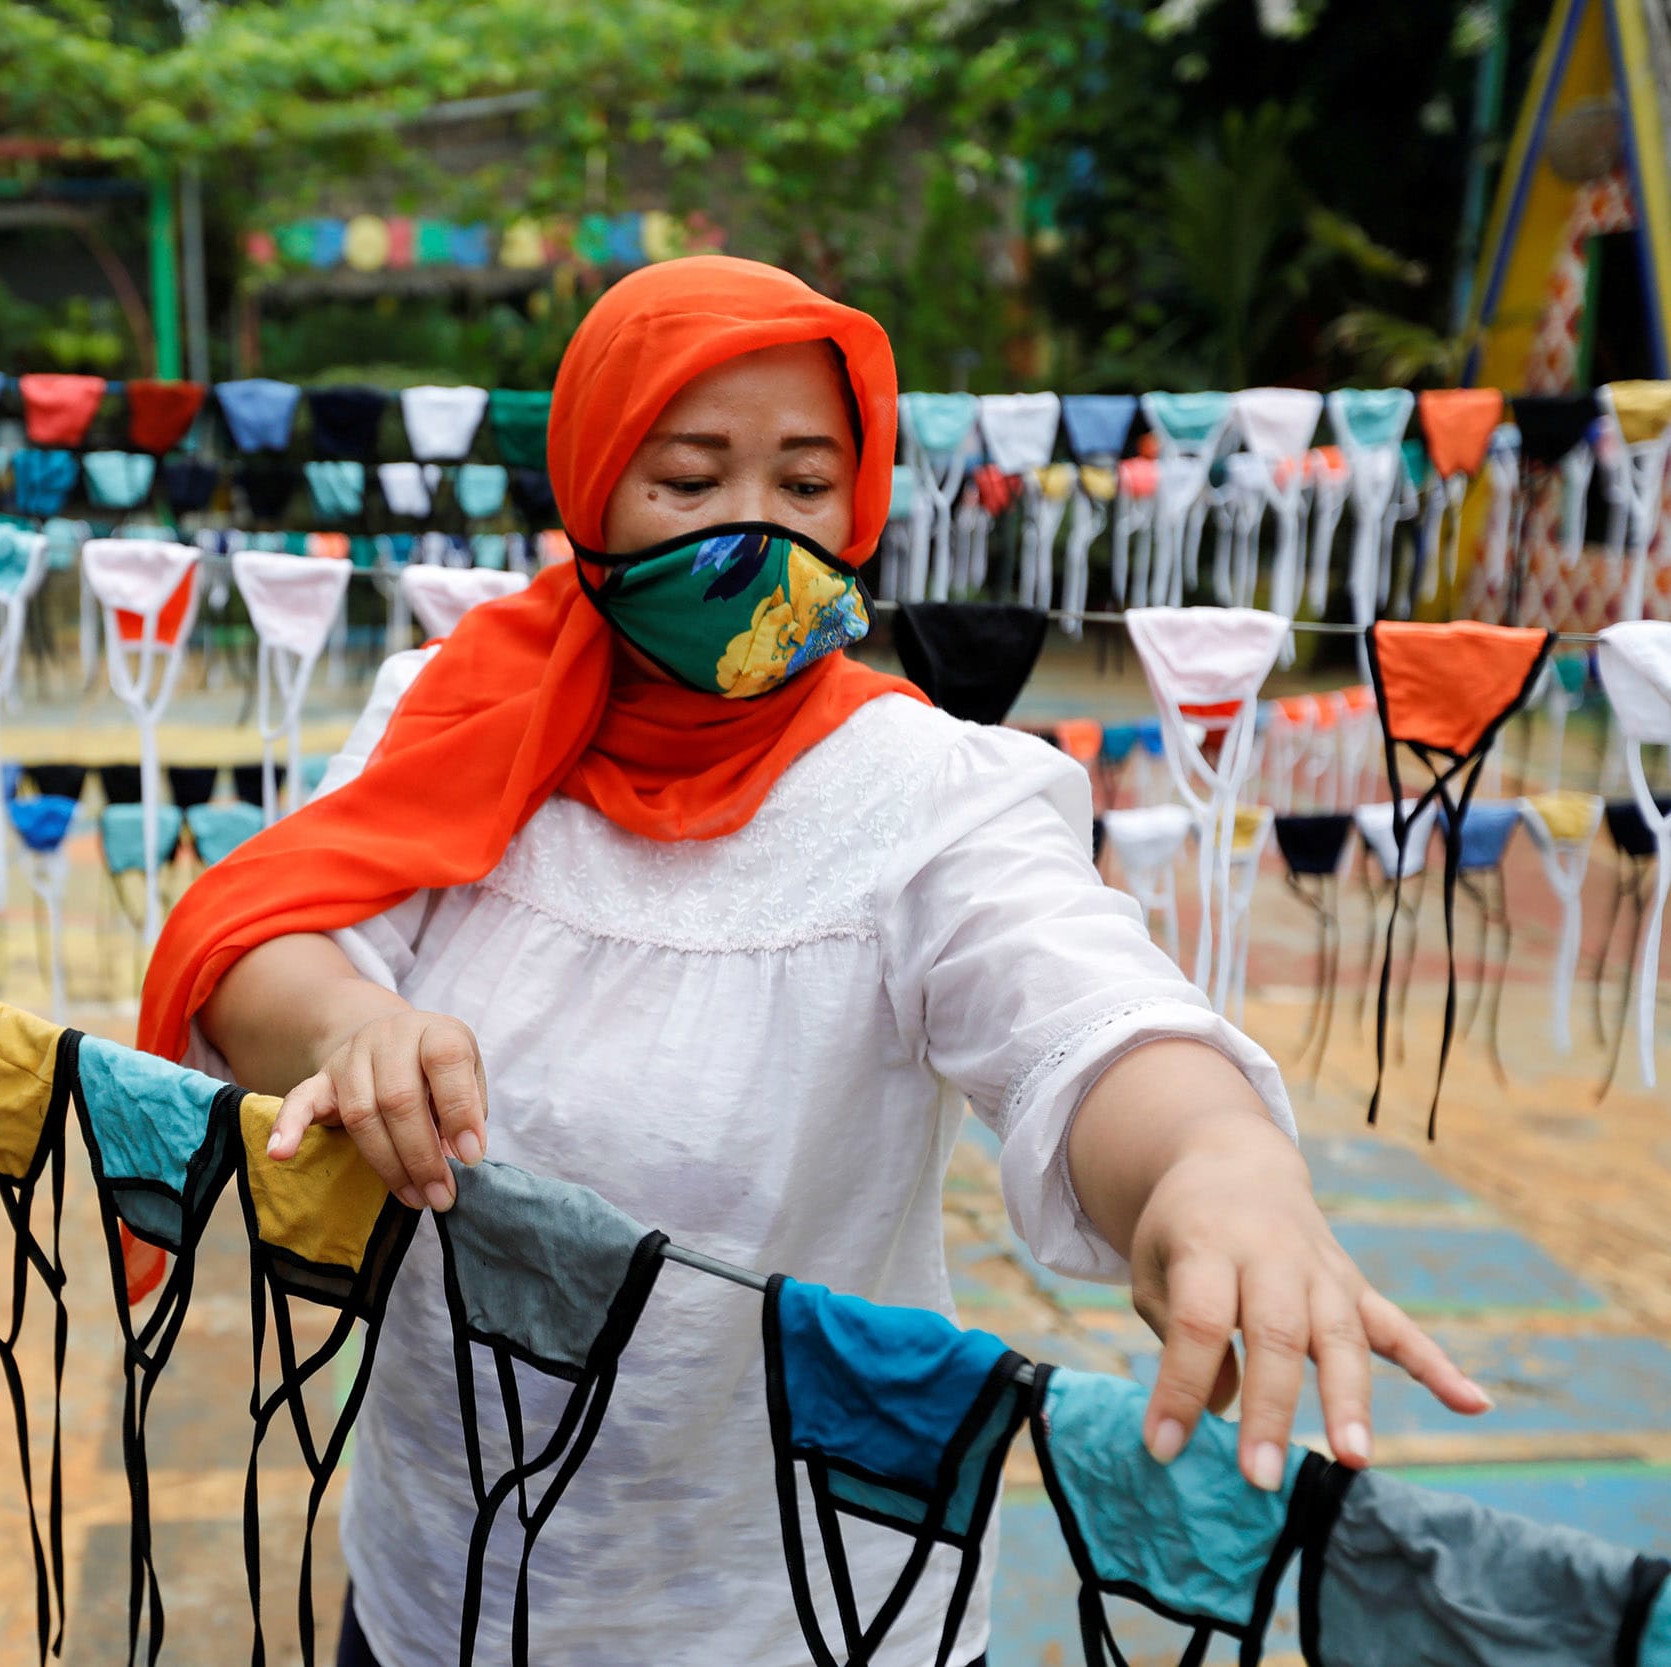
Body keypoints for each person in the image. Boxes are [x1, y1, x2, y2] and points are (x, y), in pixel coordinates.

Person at [139, 256, 1486, 1666]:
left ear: (866, 498)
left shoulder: (928, 788)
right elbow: (272, 930)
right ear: (591, 485)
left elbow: (1077, 1003)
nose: (754, 537)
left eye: (802, 485)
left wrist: (1217, 1163)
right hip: (440, 1589)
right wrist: (353, 1024)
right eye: (689, 478)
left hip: (809, 1606)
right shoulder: (458, 702)